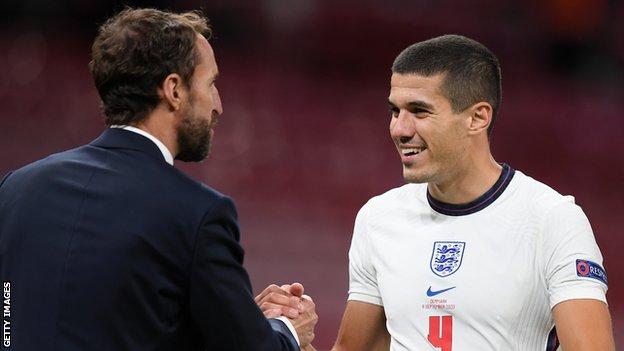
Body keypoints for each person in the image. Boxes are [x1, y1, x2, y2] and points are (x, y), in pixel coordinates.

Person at [256, 35, 615, 351]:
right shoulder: (378, 218)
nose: (399, 129)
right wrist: (291, 335)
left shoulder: (552, 219)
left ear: (477, 118)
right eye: (394, 111)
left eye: (419, 111)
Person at [0, 8, 316, 351]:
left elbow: (26, 317)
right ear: (174, 90)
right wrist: (286, 329)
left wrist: (234, 318)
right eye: (210, 84)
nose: (218, 105)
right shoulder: (198, 214)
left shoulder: (16, 189)